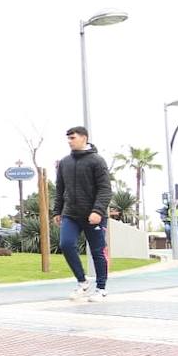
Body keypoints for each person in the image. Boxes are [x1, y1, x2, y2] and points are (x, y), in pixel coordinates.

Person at [52, 125, 112, 301]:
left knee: (97, 251)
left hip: (94, 216)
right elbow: (59, 189)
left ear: (84, 138)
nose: (70, 141)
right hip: (71, 214)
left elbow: (105, 189)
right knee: (66, 244)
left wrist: (97, 211)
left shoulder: (97, 161)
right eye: (68, 139)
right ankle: (82, 282)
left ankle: (101, 288)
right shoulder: (64, 162)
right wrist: (57, 211)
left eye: (73, 138)